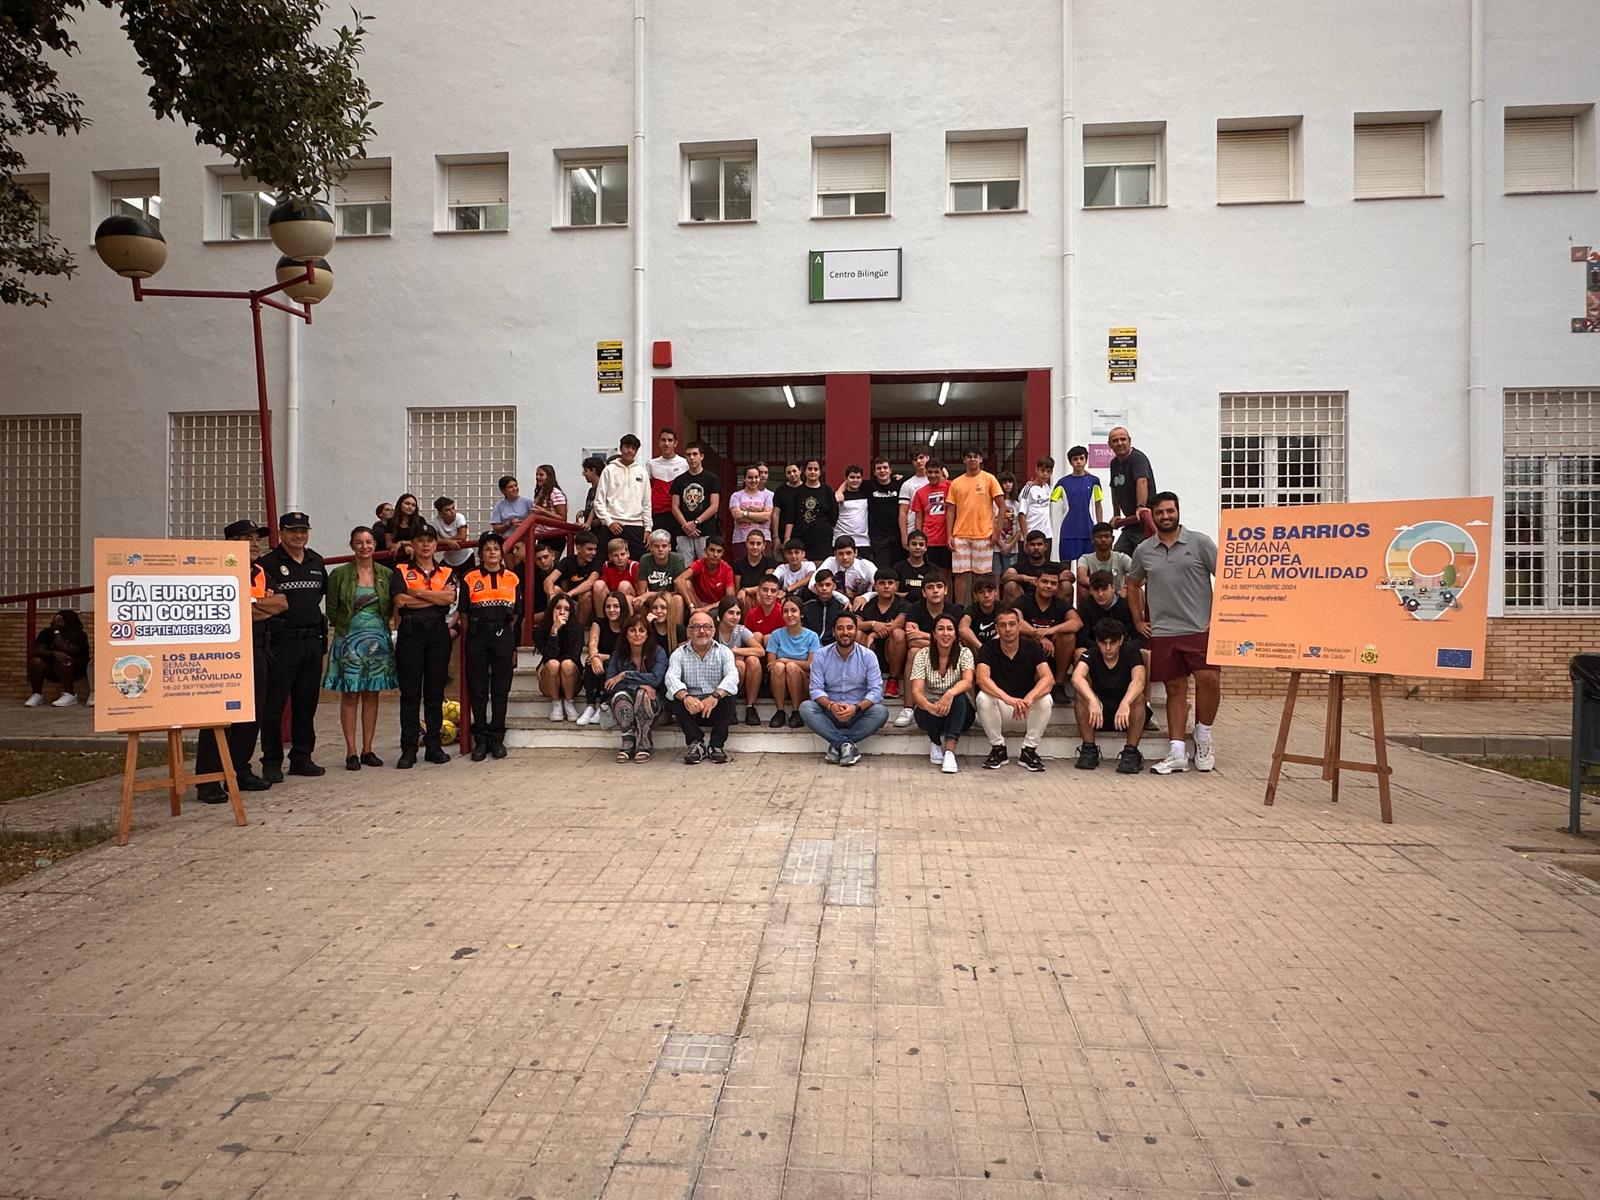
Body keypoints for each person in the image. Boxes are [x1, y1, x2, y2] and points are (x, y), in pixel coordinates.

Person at [1128, 491, 1220, 775]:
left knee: (1209, 680)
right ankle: (1177, 751)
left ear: (1178, 511)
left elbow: (1228, 579)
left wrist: (1219, 618)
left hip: (1199, 628)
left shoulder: (1200, 543)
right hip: (1164, 632)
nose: (1166, 516)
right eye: (1160, 513)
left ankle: (1203, 736)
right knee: (1174, 689)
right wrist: (1138, 620)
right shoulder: (1144, 550)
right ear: (1152, 516)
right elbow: (1133, 584)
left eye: (1170, 511)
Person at [193, 520, 282, 801]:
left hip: (258, 649)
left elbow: (282, 604)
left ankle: (239, 769)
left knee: (252, 713)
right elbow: (224, 612)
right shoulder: (215, 572)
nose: (255, 544)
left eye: (257, 538)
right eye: (247, 538)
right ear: (230, 543)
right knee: (219, 716)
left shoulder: (261, 572)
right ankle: (208, 778)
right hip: (224, 651)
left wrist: (248, 605)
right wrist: (257, 606)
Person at [256, 511, 328, 781]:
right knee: (273, 706)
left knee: (306, 703)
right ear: (281, 532)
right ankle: (272, 761)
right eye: (293, 531)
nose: (299, 536)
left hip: (311, 641)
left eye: (303, 531)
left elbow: (318, 595)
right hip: (281, 643)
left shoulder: (315, 561)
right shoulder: (269, 563)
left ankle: (301, 757)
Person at [322, 526, 398, 771]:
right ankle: (351, 751)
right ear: (352, 545)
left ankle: (368, 749)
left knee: (372, 694)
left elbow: (389, 608)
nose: (364, 547)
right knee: (350, 694)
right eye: (359, 542)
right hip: (349, 638)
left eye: (368, 542)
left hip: (377, 640)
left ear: (375, 545)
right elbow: (332, 610)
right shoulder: (339, 575)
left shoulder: (386, 574)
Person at [392, 525, 456, 767]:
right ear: (414, 544)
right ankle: (408, 749)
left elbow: (448, 601)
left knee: (434, 693)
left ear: (436, 544)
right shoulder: (400, 570)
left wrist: (416, 593)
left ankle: (433, 746)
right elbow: (400, 601)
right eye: (421, 540)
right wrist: (433, 596)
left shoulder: (446, 571)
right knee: (410, 694)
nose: (426, 545)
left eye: (430, 540)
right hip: (411, 634)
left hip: (438, 635)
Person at [461, 532, 521, 761]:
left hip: (502, 634)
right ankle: (481, 740)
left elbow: (516, 614)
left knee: (500, 688)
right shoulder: (470, 577)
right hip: (477, 635)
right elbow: (463, 613)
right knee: (477, 689)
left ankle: (497, 738)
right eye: (487, 549)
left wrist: (502, 631)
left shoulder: (512, 578)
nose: (492, 553)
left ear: (501, 552)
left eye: (496, 548)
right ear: (481, 554)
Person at [800, 611, 887, 766]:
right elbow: (815, 689)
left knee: (881, 712)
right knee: (806, 707)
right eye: (840, 628)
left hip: (858, 713)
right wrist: (831, 706)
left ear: (856, 630)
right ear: (834, 632)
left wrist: (855, 708)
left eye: (849, 628)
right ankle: (845, 745)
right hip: (830, 712)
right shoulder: (821, 655)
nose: (845, 632)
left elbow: (876, 691)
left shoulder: (868, 656)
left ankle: (837, 744)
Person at [975, 606, 1053, 772]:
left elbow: (1048, 678)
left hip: (1025, 710)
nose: (1008, 629)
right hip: (1000, 712)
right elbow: (982, 679)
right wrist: (1007, 699)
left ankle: (1029, 751)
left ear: (1019, 626)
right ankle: (998, 749)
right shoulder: (988, 648)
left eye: (1012, 624)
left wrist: (1029, 698)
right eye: (1003, 625)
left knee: (1046, 698)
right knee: (983, 697)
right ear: (996, 628)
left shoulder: (1032, 647)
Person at [1072, 616, 1147, 773]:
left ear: (1120, 640)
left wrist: (1125, 703)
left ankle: (1131, 752)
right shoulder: (1091, 654)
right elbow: (1077, 677)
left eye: (1112, 643)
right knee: (1080, 694)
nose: (1107, 648)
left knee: (1138, 697)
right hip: (1098, 713)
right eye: (1103, 643)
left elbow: (1139, 680)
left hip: (1124, 713)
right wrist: (1092, 700)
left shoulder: (1131, 653)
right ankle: (1089, 749)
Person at [665, 610, 738, 764]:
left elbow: (732, 676)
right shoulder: (679, 654)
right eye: (696, 627)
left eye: (706, 627)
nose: (702, 631)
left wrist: (714, 697)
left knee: (729, 695)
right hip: (693, 709)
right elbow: (671, 677)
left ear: (713, 630)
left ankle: (716, 745)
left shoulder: (724, 652)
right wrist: (686, 697)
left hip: (715, 708)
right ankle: (696, 744)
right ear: (688, 632)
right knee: (676, 696)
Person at [909, 612, 976, 774]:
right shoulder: (922, 655)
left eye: (950, 629)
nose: (945, 633)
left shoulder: (965, 653)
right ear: (933, 633)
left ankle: (949, 752)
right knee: (927, 701)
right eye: (940, 629)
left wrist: (949, 694)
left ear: (955, 634)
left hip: (959, 711)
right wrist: (930, 706)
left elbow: (967, 681)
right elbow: (916, 691)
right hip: (930, 713)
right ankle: (935, 742)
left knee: (959, 696)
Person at [900, 569, 962, 726]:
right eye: (930, 587)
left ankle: (972, 709)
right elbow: (911, 639)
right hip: (925, 656)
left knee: (963, 653)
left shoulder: (954, 611)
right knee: (913, 652)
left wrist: (922, 635)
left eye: (939, 586)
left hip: (949, 655)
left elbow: (958, 641)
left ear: (946, 590)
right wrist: (943, 640)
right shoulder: (915, 609)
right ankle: (908, 708)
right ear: (923, 592)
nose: (935, 590)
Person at [944, 448, 1004, 607]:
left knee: (981, 576)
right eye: (969, 457)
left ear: (981, 459)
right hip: (960, 534)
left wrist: (997, 532)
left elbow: (1002, 506)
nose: (972, 460)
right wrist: (949, 535)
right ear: (964, 460)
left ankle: (979, 608)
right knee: (960, 574)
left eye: (975, 457)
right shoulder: (956, 482)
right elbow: (950, 510)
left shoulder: (989, 479)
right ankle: (959, 608)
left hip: (984, 534)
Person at [604, 614, 667, 762]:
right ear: (626, 634)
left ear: (647, 634)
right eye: (632, 630)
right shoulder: (618, 654)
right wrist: (639, 684)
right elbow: (610, 684)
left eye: (641, 630)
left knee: (642, 695)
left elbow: (656, 679)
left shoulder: (658, 652)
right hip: (626, 708)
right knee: (621, 696)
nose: (637, 634)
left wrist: (625, 675)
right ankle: (628, 741)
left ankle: (644, 742)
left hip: (655, 708)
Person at [1014, 568, 1082, 697]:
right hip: (1029, 652)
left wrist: (1049, 631)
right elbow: (1015, 620)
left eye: (1053, 583)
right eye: (1044, 582)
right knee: (1019, 636)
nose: (1048, 586)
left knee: (1068, 636)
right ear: (1036, 582)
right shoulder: (1024, 601)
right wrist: (1038, 636)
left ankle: (1058, 685)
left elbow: (1077, 622)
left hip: (1055, 653)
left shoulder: (1060, 604)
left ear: (1057, 586)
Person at [764, 595, 819, 729]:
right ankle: (780, 711)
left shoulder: (812, 636)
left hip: (803, 682)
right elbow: (770, 664)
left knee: (792, 667)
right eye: (786, 611)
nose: (789, 614)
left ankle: (796, 711)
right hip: (780, 681)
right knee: (778, 667)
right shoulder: (776, 635)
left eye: (793, 610)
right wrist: (782, 663)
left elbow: (811, 665)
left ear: (801, 614)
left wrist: (785, 660)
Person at [594, 433, 652, 559]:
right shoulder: (609, 470)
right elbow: (599, 501)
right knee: (607, 564)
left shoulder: (642, 473)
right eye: (626, 447)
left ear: (636, 451)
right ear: (620, 448)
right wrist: (609, 522)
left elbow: (646, 503)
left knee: (638, 565)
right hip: (613, 525)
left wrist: (648, 528)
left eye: (633, 448)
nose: (629, 450)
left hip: (636, 526)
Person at [579, 590, 630, 726]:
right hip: (599, 665)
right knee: (590, 662)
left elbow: (627, 654)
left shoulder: (628, 626)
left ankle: (604, 704)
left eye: (615, 606)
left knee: (608, 664)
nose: (611, 610)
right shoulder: (599, 623)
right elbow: (592, 642)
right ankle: (590, 706)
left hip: (620, 665)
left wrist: (604, 657)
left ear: (622, 607)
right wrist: (594, 656)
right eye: (608, 606)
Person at [714, 595, 767, 725]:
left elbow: (760, 650)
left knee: (751, 661)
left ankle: (750, 707)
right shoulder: (712, 629)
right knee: (738, 665)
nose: (735, 617)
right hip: (716, 678)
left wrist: (736, 651)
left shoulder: (740, 630)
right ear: (722, 613)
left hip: (740, 681)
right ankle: (730, 707)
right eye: (730, 613)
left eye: (738, 613)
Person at [1107, 426, 1157, 557]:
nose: (1120, 443)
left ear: (1130, 441)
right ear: (1109, 445)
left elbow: (1142, 481)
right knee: (1117, 558)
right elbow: (1114, 488)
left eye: (1123, 439)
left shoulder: (1137, 458)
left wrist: (1141, 507)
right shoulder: (1114, 464)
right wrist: (1116, 514)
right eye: (1115, 440)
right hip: (1130, 524)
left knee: (1144, 558)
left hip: (1144, 524)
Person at [24, 608, 90, 708]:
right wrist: (54, 653)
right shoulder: (46, 633)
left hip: (75, 669)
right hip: (53, 668)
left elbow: (69, 651)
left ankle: (70, 694)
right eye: (55, 619)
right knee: (35, 662)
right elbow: (38, 651)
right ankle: (37, 694)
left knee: (63, 660)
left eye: (60, 620)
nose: (55, 621)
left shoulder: (79, 635)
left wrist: (56, 633)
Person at [857, 572, 907, 701]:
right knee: (856, 634)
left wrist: (873, 633)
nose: (886, 586)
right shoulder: (866, 604)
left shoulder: (903, 604)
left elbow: (897, 624)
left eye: (890, 583)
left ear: (896, 586)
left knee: (898, 633)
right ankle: (863, 680)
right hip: (870, 650)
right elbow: (854, 625)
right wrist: (873, 624)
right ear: (875, 586)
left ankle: (892, 682)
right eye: (882, 583)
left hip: (893, 654)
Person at [1053, 445, 1105, 566]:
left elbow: (1098, 504)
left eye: (1081, 458)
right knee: (1065, 568)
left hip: (1089, 532)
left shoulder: (1094, 481)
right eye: (1075, 459)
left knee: (1088, 567)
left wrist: (1100, 526)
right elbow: (1050, 503)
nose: (1079, 462)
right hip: (1068, 533)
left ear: (1086, 459)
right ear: (1070, 462)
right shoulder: (1062, 483)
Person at [669, 441, 720, 561]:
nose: (691, 458)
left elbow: (714, 506)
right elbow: (674, 507)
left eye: (695, 454)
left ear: (701, 456)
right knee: (684, 568)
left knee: (706, 566)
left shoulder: (712, 479)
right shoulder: (679, 480)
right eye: (688, 454)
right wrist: (685, 525)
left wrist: (695, 522)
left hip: (705, 531)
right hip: (683, 531)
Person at [536, 592, 583, 721]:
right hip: (550, 680)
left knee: (566, 664)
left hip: (571, 679)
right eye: (558, 608)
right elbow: (549, 657)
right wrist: (554, 631)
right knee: (553, 664)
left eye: (566, 609)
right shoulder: (540, 630)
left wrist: (559, 664)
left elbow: (574, 657)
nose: (562, 612)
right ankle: (556, 704)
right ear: (551, 609)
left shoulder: (577, 628)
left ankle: (569, 703)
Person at [782, 458, 839, 562]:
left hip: (822, 538)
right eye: (810, 469)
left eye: (816, 469)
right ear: (804, 471)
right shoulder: (797, 492)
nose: (813, 472)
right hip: (801, 537)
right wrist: (787, 539)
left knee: (821, 570)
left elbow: (834, 514)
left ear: (820, 472)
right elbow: (790, 517)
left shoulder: (827, 491)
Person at [548, 531, 603, 625]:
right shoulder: (567, 561)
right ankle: (555, 626)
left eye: (595, 549)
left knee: (586, 594)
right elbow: (549, 580)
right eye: (589, 549)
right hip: (569, 602)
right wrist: (551, 593)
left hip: (587, 608)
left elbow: (590, 583)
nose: (593, 553)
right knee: (555, 589)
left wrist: (569, 594)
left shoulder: (596, 562)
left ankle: (579, 630)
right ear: (578, 548)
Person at [636, 529, 687, 629]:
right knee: (636, 602)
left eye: (664, 546)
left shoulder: (677, 559)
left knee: (678, 599)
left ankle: (676, 634)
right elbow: (641, 593)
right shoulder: (645, 559)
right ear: (650, 547)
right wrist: (654, 601)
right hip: (652, 602)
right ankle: (644, 632)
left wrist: (650, 594)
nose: (660, 549)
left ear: (670, 547)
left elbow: (678, 591)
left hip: (671, 599)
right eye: (656, 546)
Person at [1075, 522, 1134, 604]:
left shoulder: (1121, 557)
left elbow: (1139, 576)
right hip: (1096, 596)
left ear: (1112, 539)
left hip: (1118, 597)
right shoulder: (1085, 558)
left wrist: (1126, 587)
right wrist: (1103, 588)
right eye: (1099, 537)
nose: (1103, 540)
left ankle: (1137, 617)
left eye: (1106, 536)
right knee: (1082, 590)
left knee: (1137, 592)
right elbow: (1082, 577)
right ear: (1092, 539)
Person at [910, 459, 952, 572]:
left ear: (942, 472)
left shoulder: (952, 487)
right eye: (930, 472)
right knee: (930, 573)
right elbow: (918, 517)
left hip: (948, 539)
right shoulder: (920, 492)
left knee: (946, 574)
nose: (933, 475)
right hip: (929, 539)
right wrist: (919, 538)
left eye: (936, 472)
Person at [677, 534, 735, 615]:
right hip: (697, 605)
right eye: (712, 550)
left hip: (716, 607)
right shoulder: (700, 563)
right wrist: (691, 606)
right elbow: (678, 580)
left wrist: (705, 609)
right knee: (686, 583)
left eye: (719, 551)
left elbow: (730, 598)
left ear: (723, 553)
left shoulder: (727, 569)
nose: (715, 554)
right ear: (705, 551)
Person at [648, 427, 688, 539]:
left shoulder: (684, 463)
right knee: (659, 546)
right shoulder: (651, 464)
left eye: (670, 440)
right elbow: (647, 490)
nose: (666, 443)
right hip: (658, 513)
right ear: (659, 442)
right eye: (663, 440)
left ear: (675, 443)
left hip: (679, 513)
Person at [815, 536, 877, 607]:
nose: (845, 557)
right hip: (838, 603)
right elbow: (812, 585)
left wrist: (866, 597)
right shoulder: (830, 562)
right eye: (841, 554)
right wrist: (843, 599)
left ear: (855, 552)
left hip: (864, 604)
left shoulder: (867, 566)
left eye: (849, 553)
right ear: (835, 554)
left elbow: (881, 587)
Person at [865, 457, 904, 569]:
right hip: (879, 537)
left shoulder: (900, 483)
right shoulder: (868, 486)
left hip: (897, 535)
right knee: (883, 570)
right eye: (879, 468)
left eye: (885, 468)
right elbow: (850, 480)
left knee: (898, 569)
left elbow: (921, 478)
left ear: (890, 470)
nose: (882, 470)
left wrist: (944, 472)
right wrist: (839, 491)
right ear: (874, 472)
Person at [1002, 530, 1061, 605]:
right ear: (1026, 547)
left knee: (1066, 585)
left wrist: (1048, 579)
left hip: (1050, 605)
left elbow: (1070, 576)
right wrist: (1025, 578)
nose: (1036, 548)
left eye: (1039, 544)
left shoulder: (1054, 566)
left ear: (1045, 546)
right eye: (1032, 545)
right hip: (1024, 606)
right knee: (1010, 585)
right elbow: (1005, 577)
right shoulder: (1019, 566)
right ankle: (1012, 616)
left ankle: (1063, 615)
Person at [1017, 456, 1056, 558]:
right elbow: (1021, 515)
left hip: (1046, 536)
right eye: (1042, 470)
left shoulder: (1048, 489)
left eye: (1048, 471)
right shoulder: (1028, 489)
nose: (1045, 474)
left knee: (1045, 569)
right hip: (1031, 536)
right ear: (1036, 470)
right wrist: (1025, 538)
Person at [731, 528, 779, 608]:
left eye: (758, 543)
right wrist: (744, 592)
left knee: (759, 596)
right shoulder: (738, 563)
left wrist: (746, 590)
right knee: (746, 600)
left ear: (764, 545)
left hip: (763, 597)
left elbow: (767, 585)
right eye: (752, 543)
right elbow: (737, 590)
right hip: (745, 599)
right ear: (746, 544)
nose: (755, 547)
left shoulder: (770, 562)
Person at [730, 464, 775, 546]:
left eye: (756, 477)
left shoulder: (767, 495)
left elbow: (766, 517)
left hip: (763, 539)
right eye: (750, 477)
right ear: (744, 479)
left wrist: (745, 513)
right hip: (741, 539)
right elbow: (737, 516)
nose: (754, 480)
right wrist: (759, 514)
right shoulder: (736, 496)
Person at [594, 536, 640, 615]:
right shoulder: (606, 565)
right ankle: (601, 620)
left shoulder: (635, 566)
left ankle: (623, 619)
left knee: (624, 585)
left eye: (622, 554)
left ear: (628, 553)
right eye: (615, 555)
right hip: (612, 596)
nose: (620, 558)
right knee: (598, 584)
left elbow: (640, 592)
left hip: (631, 599)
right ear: (610, 557)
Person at [897, 448, 931, 551]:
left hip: (933, 530)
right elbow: (903, 512)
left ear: (928, 458)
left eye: (921, 457)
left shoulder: (936, 480)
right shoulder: (907, 484)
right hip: (912, 531)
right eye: (915, 459)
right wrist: (904, 536)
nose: (919, 461)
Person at [531, 464, 570, 553]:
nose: (538, 477)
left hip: (554, 536)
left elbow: (563, 518)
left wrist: (543, 512)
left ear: (549, 477)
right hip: (542, 536)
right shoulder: (540, 492)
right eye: (536, 474)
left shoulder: (555, 493)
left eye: (541, 475)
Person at [959, 573, 1002, 652]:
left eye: (989, 591)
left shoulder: (1002, 608)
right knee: (964, 640)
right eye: (981, 592)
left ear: (996, 592)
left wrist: (992, 644)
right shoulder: (972, 610)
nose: (986, 595)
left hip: (997, 646)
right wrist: (981, 647)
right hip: (977, 647)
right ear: (976, 596)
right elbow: (962, 629)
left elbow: (1015, 625)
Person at [430, 495, 473, 574]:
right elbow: (434, 540)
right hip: (449, 559)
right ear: (440, 513)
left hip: (466, 557)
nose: (452, 512)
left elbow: (462, 537)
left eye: (453, 508)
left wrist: (445, 541)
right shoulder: (435, 521)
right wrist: (449, 543)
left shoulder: (459, 517)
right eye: (447, 510)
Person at [802, 569, 846, 644]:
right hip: (809, 645)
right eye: (820, 585)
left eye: (828, 585)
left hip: (834, 647)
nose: (824, 588)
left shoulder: (842, 607)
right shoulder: (806, 607)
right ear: (815, 586)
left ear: (834, 586)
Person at [385, 493, 429, 564]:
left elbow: (424, 541)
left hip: (418, 558)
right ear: (400, 504)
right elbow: (389, 544)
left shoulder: (420, 520)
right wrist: (404, 547)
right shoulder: (391, 522)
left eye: (413, 505)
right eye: (407, 503)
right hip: (397, 559)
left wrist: (403, 543)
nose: (410, 507)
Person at [833, 463, 870, 547]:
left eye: (858, 477)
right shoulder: (838, 496)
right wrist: (839, 492)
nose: (855, 480)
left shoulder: (866, 493)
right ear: (846, 478)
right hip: (841, 539)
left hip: (862, 541)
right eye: (852, 477)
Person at [993, 471, 1022, 578]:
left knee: (1010, 578)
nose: (1008, 485)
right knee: (995, 578)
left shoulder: (1017, 505)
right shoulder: (993, 504)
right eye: (1004, 482)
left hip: (1012, 547)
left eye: (1010, 482)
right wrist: (1001, 545)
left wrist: (1010, 545)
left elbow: (1020, 529)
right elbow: (991, 525)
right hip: (995, 547)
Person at [893, 531, 933, 605]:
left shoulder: (932, 569)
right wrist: (910, 595)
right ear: (907, 546)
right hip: (903, 606)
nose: (917, 547)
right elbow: (893, 593)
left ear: (926, 548)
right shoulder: (898, 567)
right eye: (914, 544)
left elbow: (934, 593)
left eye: (921, 544)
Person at [742, 575, 787, 640]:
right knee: (756, 636)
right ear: (759, 591)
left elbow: (785, 639)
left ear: (778, 593)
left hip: (777, 648)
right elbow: (746, 639)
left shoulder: (783, 612)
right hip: (756, 648)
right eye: (765, 590)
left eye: (773, 591)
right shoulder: (752, 613)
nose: (769, 594)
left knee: (769, 638)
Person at [771, 461, 804, 547]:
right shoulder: (780, 491)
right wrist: (776, 536)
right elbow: (776, 514)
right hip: (783, 531)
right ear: (785, 474)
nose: (792, 474)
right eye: (789, 472)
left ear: (800, 471)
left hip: (804, 532)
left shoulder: (806, 489)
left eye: (794, 471)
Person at [643, 590, 683, 654]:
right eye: (655, 608)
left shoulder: (679, 630)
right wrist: (646, 625)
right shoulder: (648, 628)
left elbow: (682, 657)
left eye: (663, 607)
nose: (658, 611)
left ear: (670, 609)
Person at [576, 454, 607, 532]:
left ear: (593, 470)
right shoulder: (591, 490)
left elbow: (602, 511)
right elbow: (591, 508)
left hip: (600, 531)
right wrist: (584, 512)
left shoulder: (604, 489)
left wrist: (588, 524)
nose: (584, 474)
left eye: (586, 470)